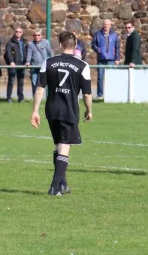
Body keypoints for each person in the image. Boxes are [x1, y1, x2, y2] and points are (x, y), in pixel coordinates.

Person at [30, 31, 92, 196]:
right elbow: (87, 94)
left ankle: (63, 184)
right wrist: (89, 110)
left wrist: (35, 111)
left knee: (59, 145)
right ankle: (54, 186)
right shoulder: (82, 66)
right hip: (69, 110)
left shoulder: (48, 62)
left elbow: (39, 89)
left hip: (51, 110)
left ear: (59, 44)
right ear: (76, 44)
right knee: (64, 146)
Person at [91, 19, 120, 100]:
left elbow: (117, 47)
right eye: (105, 24)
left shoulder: (114, 35)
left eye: (108, 24)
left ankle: (112, 94)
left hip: (111, 59)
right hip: (101, 59)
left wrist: (117, 58)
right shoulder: (97, 34)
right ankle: (100, 95)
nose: (106, 26)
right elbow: (93, 44)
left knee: (112, 77)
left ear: (110, 25)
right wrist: (98, 50)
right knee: (100, 77)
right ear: (103, 25)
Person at [25, 29, 54, 96]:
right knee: (34, 83)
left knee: (44, 83)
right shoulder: (30, 44)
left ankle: (48, 97)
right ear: (33, 36)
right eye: (35, 35)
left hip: (44, 67)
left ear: (41, 36)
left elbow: (50, 52)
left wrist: (51, 61)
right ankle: (35, 99)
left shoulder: (46, 42)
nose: (37, 36)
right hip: (34, 66)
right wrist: (28, 61)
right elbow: (29, 54)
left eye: (38, 35)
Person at [5, 27, 27, 103]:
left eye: (20, 32)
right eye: (17, 31)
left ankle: (20, 98)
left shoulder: (24, 42)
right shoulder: (10, 42)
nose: (18, 33)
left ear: (22, 33)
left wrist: (27, 61)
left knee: (21, 82)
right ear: (15, 32)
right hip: (13, 64)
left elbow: (26, 52)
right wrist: (11, 61)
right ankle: (9, 97)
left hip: (22, 64)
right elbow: (8, 53)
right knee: (11, 81)